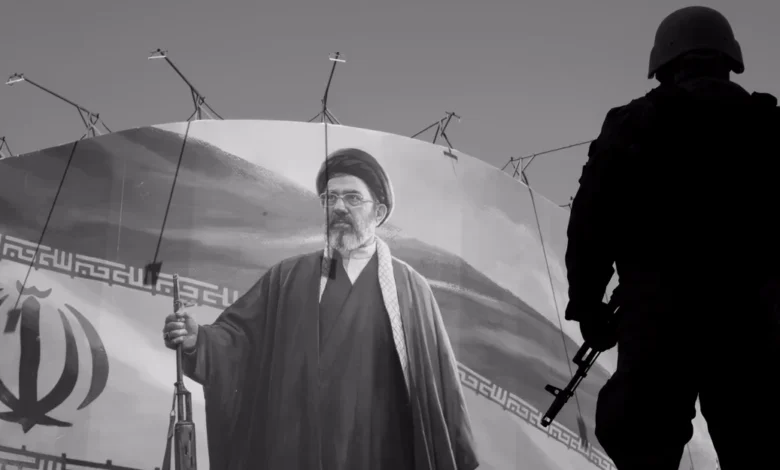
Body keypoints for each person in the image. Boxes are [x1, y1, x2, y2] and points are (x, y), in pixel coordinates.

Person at [162, 147, 479, 470]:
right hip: (300, 450)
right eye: (330, 199)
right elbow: (239, 343)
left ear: (379, 212)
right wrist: (198, 341)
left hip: (382, 452)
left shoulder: (411, 290)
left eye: (352, 198)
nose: (339, 207)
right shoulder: (288, 277)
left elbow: (441, 392)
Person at [564, 6, 780, 470]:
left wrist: (587, 304)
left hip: (660, 320)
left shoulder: (636, 123)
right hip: (753, 323)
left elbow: (591, 220)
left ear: (664, 65)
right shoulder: (770, 127)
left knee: (641, 443)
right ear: (730, 60)